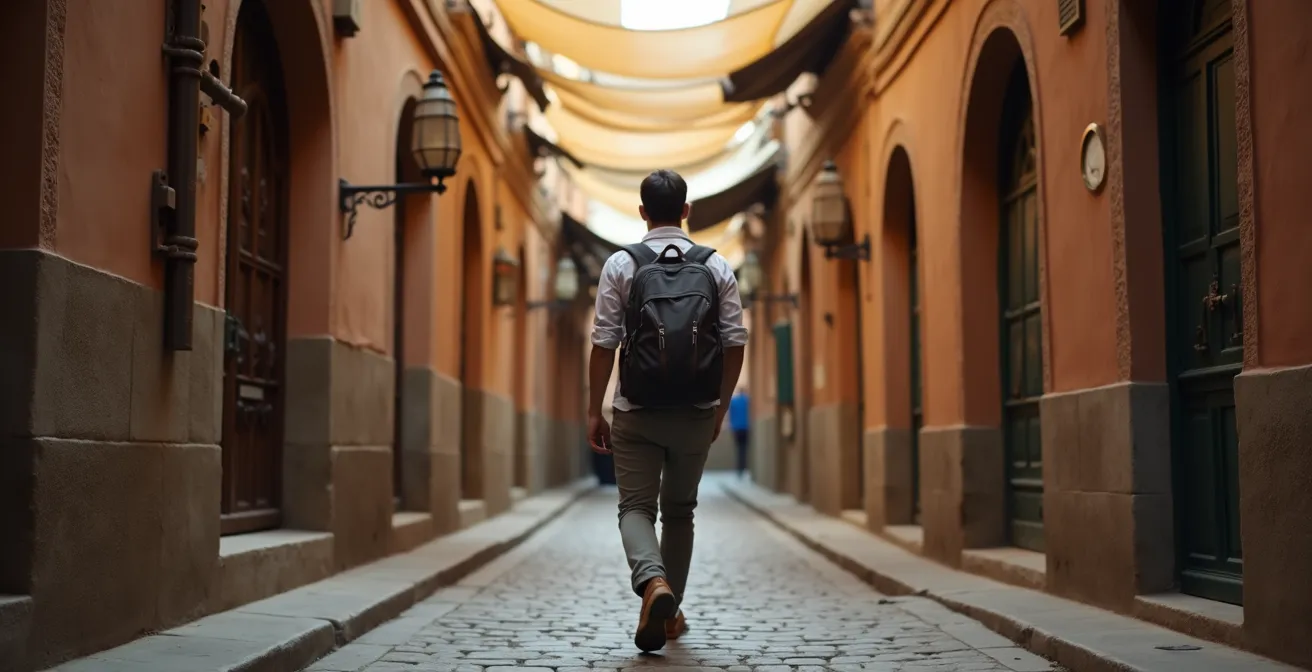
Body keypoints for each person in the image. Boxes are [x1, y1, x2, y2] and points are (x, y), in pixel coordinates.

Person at [586, 169, 747, 653]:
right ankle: (669, 612)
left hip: (636, 408)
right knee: (680, 512)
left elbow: (603, 343)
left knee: (635, 507)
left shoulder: (620, 264)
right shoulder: (716, 266)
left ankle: (653, 584)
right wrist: (718, 407)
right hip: (696, 409)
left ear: (641, 212)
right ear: (686, 211)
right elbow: (736, 342)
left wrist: (595, 409)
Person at [728, 387, 750, 478]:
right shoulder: (747, 400)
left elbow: (730, 414)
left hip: (736, 428)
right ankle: (743, 468)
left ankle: (739, 469)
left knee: (738, 449)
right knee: (744, 449)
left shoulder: (734, 401)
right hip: (745, 427)